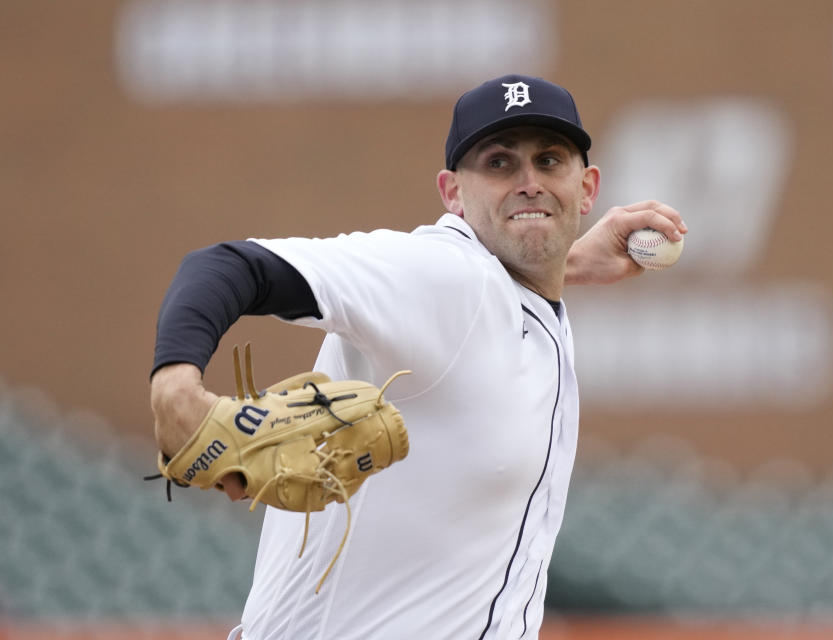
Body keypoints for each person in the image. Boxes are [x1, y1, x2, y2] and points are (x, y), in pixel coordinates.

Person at [150, 74, 686, 640]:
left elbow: (501, 298)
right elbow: (228, 267)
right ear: (452, 193)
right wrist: (174, 389)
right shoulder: (441, 275)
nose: (529, 182)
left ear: (587, 188)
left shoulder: (517, 297)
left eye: (549, 161)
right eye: (499, 164)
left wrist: (564, 263)